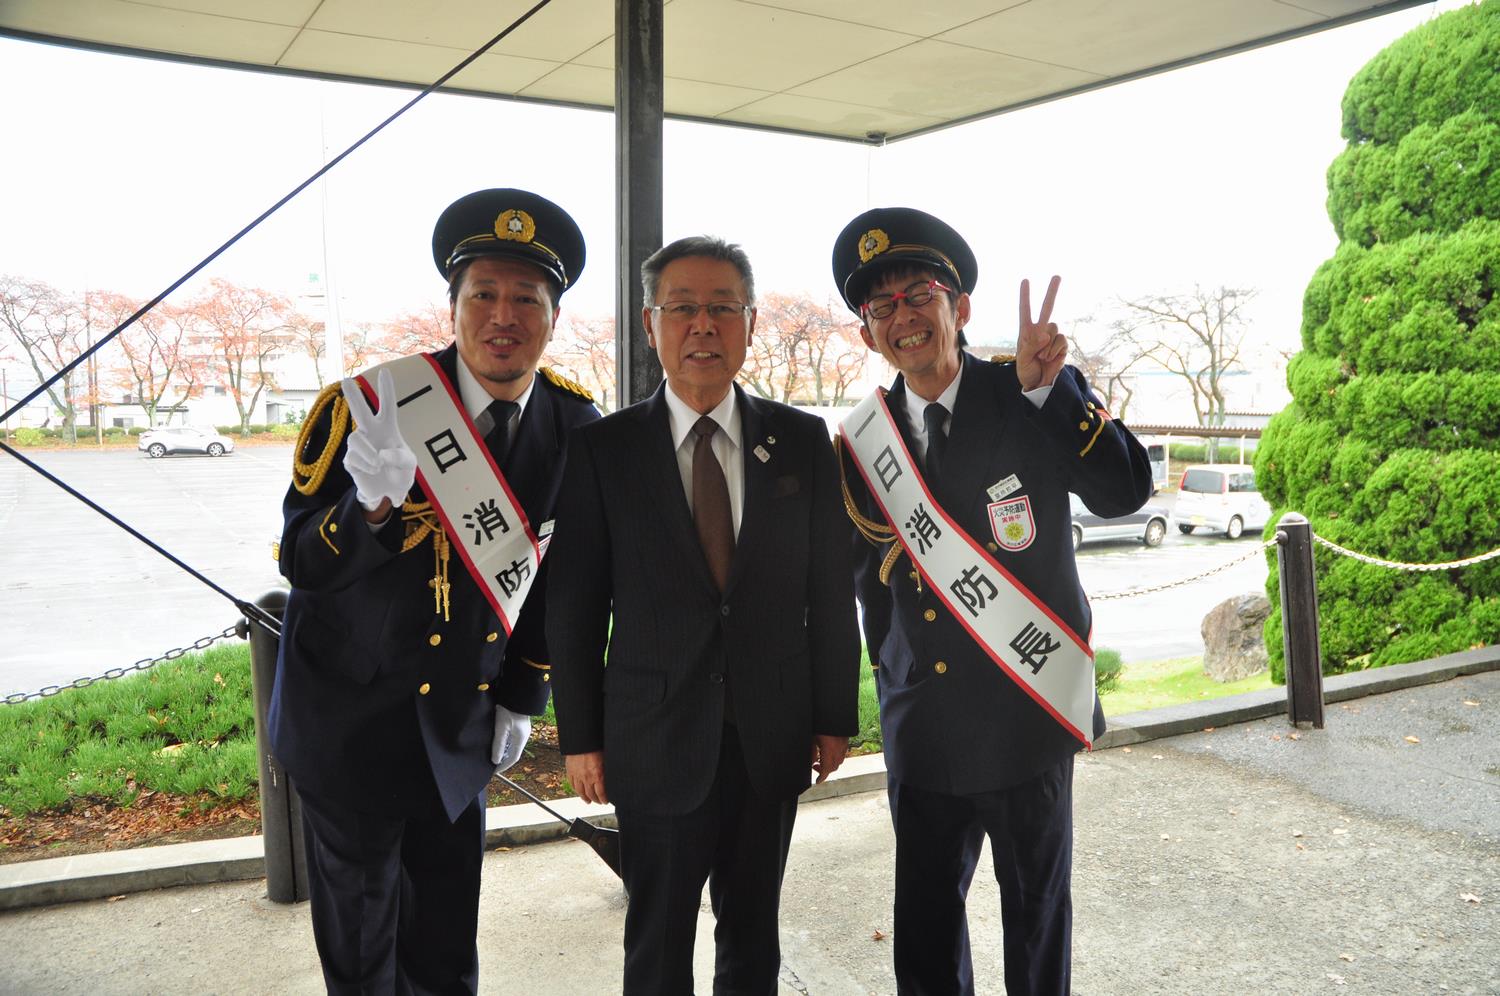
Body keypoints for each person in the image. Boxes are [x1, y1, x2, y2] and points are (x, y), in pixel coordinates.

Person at [267, 188, 599, 994]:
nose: (503, 315)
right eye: (483, 293)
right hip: (347, 727)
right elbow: (301, 562)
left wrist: (523, 694)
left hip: (459, 728)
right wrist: (368, 508)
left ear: (553, 317)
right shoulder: (372, 405)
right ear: (452, 307)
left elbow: (560, 584)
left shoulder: (576, 426)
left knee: (446, 944)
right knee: (360, 946)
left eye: (527, 297)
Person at [830, 207, 1152, 995]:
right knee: (927, 931)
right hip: (924, 727)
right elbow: (860, 597)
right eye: (883, 309)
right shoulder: (862, 447)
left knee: (1036, 919)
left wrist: (1054, 398)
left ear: (959, 308)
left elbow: (1124, 491)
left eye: (919, 295)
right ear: (869, 333)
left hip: (1024, 714)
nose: (904, 319)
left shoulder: (1027, 391)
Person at [546, 236, 861, 994]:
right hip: (652, 739)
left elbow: (829, 589)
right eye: (683, 308)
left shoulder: (801, 441)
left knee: (754, 931)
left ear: (751, 324)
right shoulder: (602, 450)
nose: (703, 326)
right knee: (656, 934)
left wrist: (832, 717)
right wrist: (582, 737)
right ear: (651, 323)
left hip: (770, 733)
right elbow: (577, 604)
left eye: (723, 308)